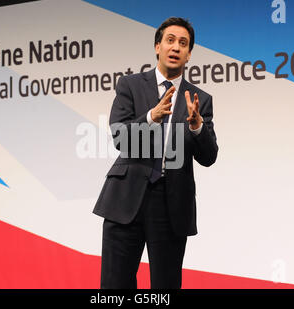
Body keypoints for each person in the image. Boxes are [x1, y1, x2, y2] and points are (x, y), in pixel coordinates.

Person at [93, 17, 218, 289]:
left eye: (182, 43)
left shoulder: (200, 99)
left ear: (189, 54)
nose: (175, 47)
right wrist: (150, 116)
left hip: (171, 204)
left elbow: (209, 157)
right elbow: (119, 136)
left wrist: (197, 127)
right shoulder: (130, 85)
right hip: (126, 198)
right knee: (115, 286)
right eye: (170, 40)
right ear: (157, 47)